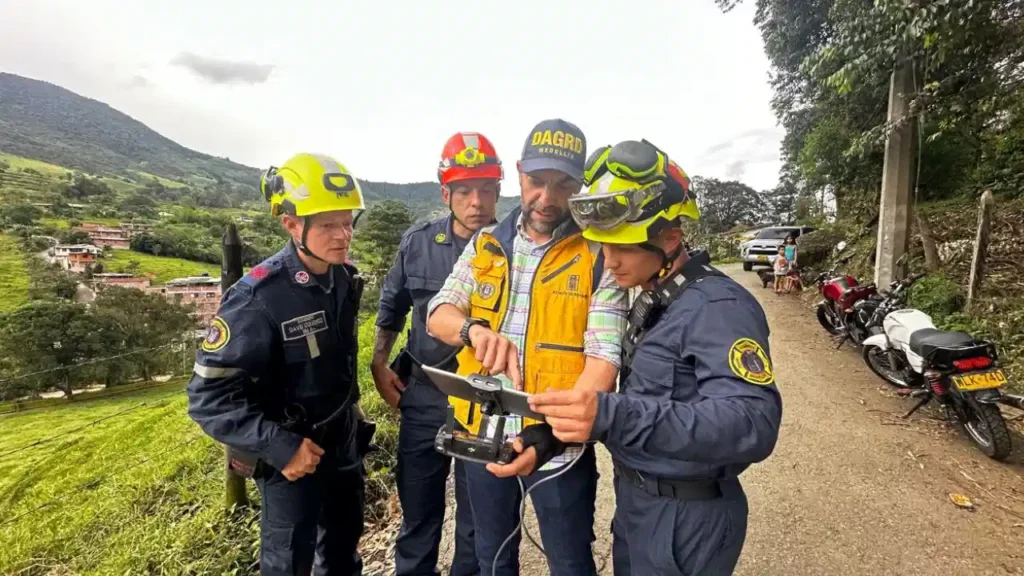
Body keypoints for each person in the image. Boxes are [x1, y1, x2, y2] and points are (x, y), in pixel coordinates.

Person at [520, 139, 783, 575]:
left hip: (686, 519)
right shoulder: (657, 300)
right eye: (602, 247)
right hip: (641, 506)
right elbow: (646, 403)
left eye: (622, 248)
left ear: (670, 237)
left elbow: (753, 422)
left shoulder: (718, 308)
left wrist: (612, 415)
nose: (609, 263)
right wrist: (550, 437)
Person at [425, 119, 629, 576]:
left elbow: (604, 358)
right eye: (537, 182)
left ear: (581, 186)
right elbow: (439, 312)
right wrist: (474, 330)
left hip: (557, 443)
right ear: (518, 174)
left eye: (564, 185)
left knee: (571, 560)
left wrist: (550, 434)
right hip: (483, 434)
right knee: (492, 558)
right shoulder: (486, 244)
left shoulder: (599, 255)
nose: (548, 198)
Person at [186, 152, 372, 576]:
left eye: (348, 222)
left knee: (343, 552)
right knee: (289, 563)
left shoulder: (343, 278)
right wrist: (281, 447)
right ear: (291, 224)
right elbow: (207, 398)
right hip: (287, 456)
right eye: (327, 224)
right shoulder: (257, 298)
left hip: (341, 444)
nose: (343, 235)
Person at [373, 132, 504, 576]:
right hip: (424, 394)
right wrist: (377, 364)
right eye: (465, 190)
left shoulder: (514, 250)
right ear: (446, 193)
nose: (477, 201)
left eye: (487, 189)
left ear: (499, 191)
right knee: (419, 512)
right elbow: (392, 308)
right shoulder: (418, 243)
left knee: (476, 519)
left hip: (484, 401)